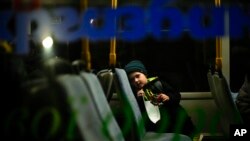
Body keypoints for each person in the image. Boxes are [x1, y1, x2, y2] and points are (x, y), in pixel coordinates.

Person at [124, 60, 196, 138]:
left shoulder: (158, 83)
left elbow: (176, 95)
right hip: (158, 124)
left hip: (173, 116)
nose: (136, 81)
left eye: (137, 76)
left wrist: (168, 97)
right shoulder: (135, 93)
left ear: (145, 74)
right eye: (131, 80)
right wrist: (139, 100)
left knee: (187, 130)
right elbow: (139, 112)